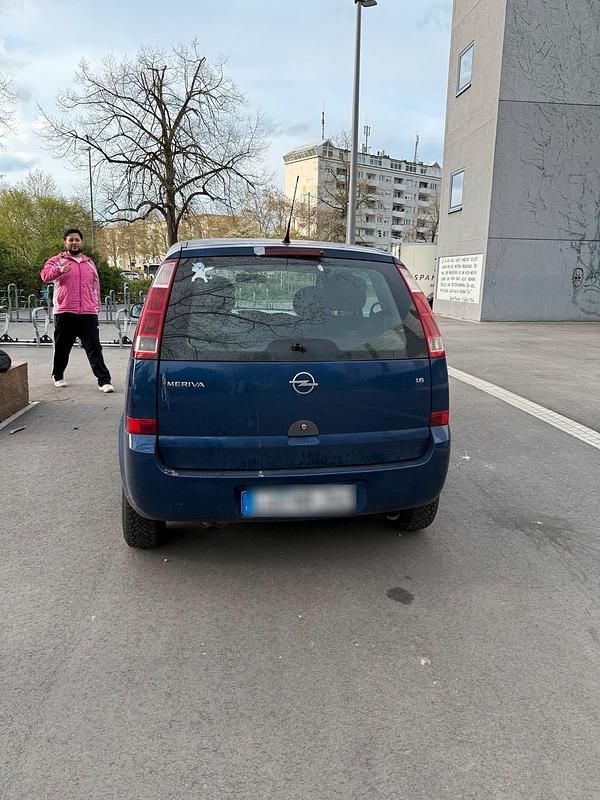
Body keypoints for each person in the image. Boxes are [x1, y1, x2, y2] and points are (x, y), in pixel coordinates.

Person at [40, 227, 114, 392]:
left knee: (94, 346)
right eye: (71, 240)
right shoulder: (57, 260)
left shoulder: (89, 262)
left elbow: (96, 285)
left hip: (88, 312)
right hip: (65, 311)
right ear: (65, 242)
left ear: (81, 242)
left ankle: (104, 381)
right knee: (62, 347)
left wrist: (96, 306)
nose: (74, 242)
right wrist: (59, 270)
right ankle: (58, 375)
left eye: (77, 240)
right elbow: (45, 276)